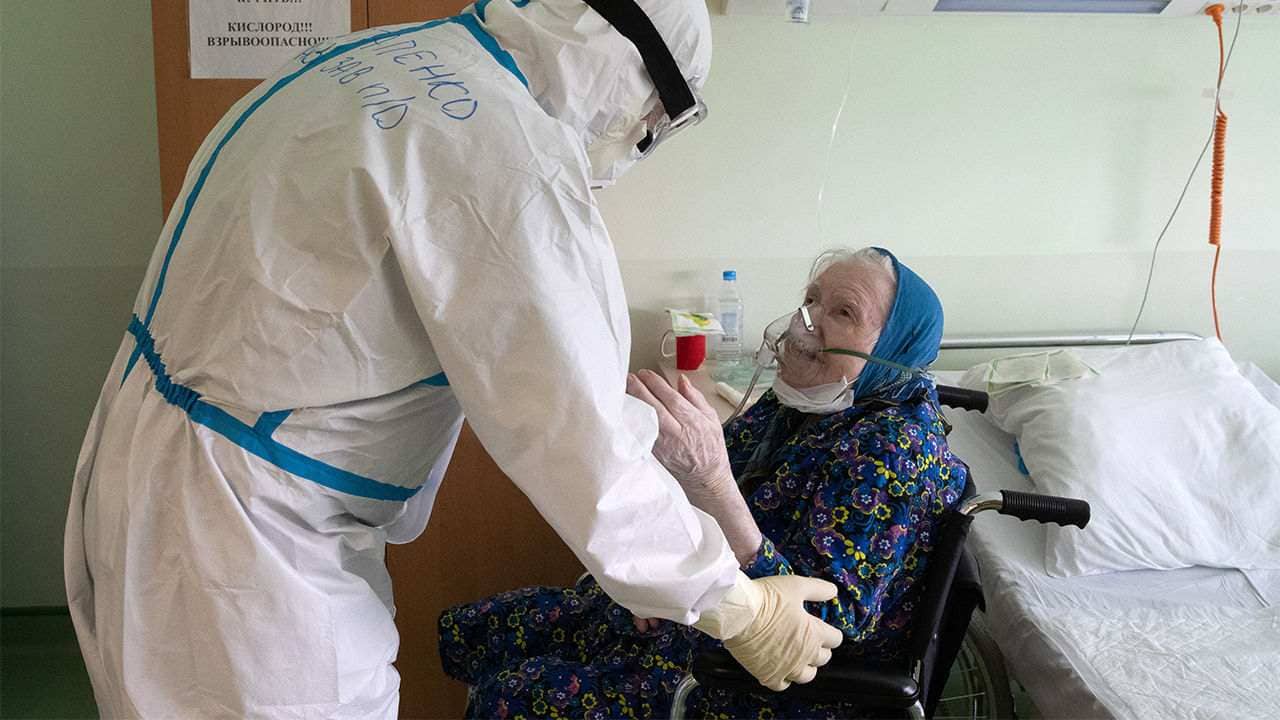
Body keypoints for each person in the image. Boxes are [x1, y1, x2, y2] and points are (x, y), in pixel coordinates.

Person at [62, 2, 840, 717]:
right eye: (650, 123)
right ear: (630, 68)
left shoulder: (371, 58)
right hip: (245, 540)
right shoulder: (508, 157)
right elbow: (581, 437)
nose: (634, 143)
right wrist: (732, 603)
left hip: (154, 453)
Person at [437, 247, 970, 719]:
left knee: (516, 698)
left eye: (843, 313)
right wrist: (653, 573)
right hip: (700, 613)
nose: (804, 322)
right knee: (471, 630)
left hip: (765, 680)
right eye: (812, 299)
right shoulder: (811, 400)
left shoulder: (893, 455)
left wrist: (712, 480)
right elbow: (698, 477)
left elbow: (818, 625)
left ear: (894, 350)